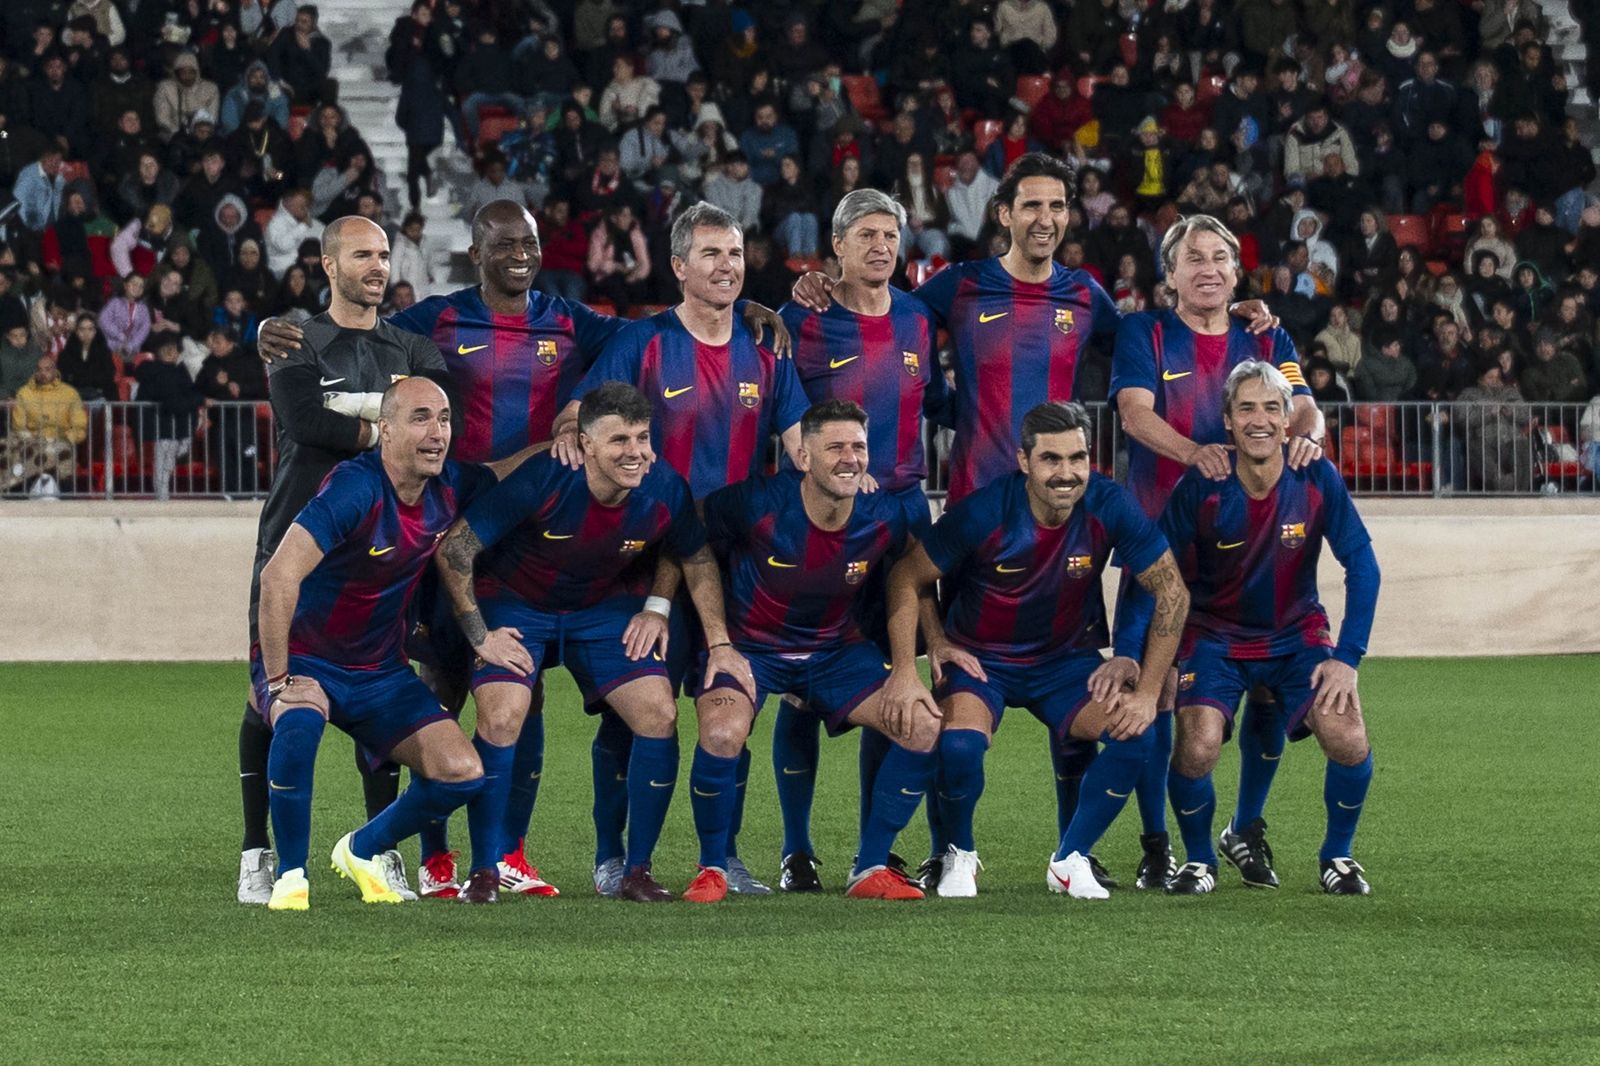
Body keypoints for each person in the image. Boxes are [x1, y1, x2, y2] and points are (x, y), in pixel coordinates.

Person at [255, 199, 790, 896]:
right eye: (503, 243)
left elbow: (664, 329)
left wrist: (748, 311)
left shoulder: (568, 319)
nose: (519, 254)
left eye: (530, 243)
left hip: (526, 519)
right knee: (432, 688)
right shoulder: (440, 318)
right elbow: (357, 320)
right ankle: (422, 855)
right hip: (437, 517)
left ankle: (505, 854)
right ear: (475, 252)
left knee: (519, 696)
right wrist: (268, 326)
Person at [552, 202, 810, 896]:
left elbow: (797, 444)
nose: (726, 266)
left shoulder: (766, 350)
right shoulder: (643, 345)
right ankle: (614, 858)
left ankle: (719, 859)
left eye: (734, 254)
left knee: (731, 708)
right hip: (640, 564)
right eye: (711, 255)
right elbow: (583, 410)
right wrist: (570, 431)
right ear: (678, 268)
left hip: (735, 567)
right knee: (637, 708)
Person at [434, 383, 736, 903]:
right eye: (619, 439)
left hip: (600, 609)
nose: (635, 452)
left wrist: (703, 632)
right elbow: (455, 549)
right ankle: (485, 870)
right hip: (516, 601)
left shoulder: (663, 484)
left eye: (642, 438)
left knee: (659, 715)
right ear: (586, 443)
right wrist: (480, 636)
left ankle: (636, 871)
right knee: (503, 714)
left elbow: (695, 556)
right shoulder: (546, 477)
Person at [234, 216, 455, 906]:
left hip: (383, 550)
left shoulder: (413, 346)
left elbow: (438, 417)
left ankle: (378, 849)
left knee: (379, 688)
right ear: (328, 265)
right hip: (300, 539)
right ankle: (256, 849)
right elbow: (307, 425)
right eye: (362, 254)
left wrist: (376, 430)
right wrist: (387, 430)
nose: (377, 265)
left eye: (384, 254)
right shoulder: (296, 339)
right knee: (264, 698)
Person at [884, 401, 1188, 897]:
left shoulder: (1110, 504)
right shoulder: (984, 511)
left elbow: (1172, 590)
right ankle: (961, 855)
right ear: (1025, 462)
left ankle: (1070, 859)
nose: (1067, 473)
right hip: (982, 660)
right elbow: (907, 575)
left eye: (1077, 458)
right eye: (1051, 459)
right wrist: (928, 648)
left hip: (1065, 663)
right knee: (960, 745)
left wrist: (1148, 690)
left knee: (1139, 732)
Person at [1110, 216, 1325, 887]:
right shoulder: (1143, 331)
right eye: (1193, 258)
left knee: (1265, 692)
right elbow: (1134, 413)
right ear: (1170, 273)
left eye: (1221, 258)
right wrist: (1194, 451)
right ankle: (1155, 844)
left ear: (1236, 273)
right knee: (1151, 691)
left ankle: (1245, 827)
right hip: (1157, 546)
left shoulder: (1264, 335)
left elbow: (1307, 408)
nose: (1207, 269)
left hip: (1252, 552)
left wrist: (1306, 437)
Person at [252, 378, 497, 910]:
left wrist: (567, 441)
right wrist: (277, 682)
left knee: (463, 772)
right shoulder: (354, 487)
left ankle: (362, 848)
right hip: (307, 660)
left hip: (380, 671)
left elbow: (512, 475)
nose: (438, 433)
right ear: (384, 430)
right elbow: (277, 578)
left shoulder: (450, 485)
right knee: (298, 722)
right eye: (421, 418)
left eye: (446, 419)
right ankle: (291, 876)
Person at [769, 189, 951, 891]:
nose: (880, 247)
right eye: (865, 235)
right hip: (822, 518)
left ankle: (875, 852)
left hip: (904, 513)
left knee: (893, 672)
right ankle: (795, 849)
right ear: (836, 248)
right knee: (799, 685)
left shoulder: (916, 317)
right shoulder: (801, 317)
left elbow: (933, 401)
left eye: (890, 235)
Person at [686, 400, 940, 902]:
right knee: (720, 734)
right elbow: (689, 543)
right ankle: (713, 866)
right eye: (836, 448)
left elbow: (911, 574)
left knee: (923, 724)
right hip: (751, 650)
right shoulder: (753, 503)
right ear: (802, 456)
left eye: (859, 448)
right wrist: (713, 637)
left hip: (834, 653)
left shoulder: (883, 513)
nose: (850, 459)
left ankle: (870, 868)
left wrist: (908, 668)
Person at [1158, 361, 1380, 896]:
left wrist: (1347, 657)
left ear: (1288, 422)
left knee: (1348, 737)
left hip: (1296, 634)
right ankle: (1198, 859)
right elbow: (1155, 571)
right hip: (1214, 634)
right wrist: (1149, 657)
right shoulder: (1203, 484)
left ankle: (1338, 856)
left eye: (1272, 408)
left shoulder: (1316, 476)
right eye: (1246, 408)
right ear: (1228, 422)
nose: (1260, 419)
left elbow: (1363, 566)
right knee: (1198, 746)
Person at [2, 354, 86, 495]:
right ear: (35, 371)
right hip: (31, 441)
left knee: (60, 451)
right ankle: (14, 493)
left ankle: (64, 495)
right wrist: (33, 440)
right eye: (40, 369)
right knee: (7, 446)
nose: (43, 373)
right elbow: (18, 425)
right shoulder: (24, 393)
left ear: (55, 371)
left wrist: (67, 438)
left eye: (47, 369)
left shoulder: (69, 393)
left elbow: (79, 427)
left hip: (60, 440)